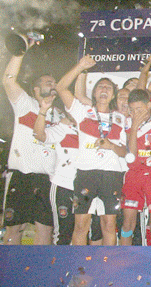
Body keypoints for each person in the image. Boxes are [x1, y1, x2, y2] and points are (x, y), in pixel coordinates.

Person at [56, 55, 127, 246]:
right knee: (81, 225)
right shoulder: (82, 111)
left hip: (112, 174)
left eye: (108, 88)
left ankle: (107, 269)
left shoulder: (120, 118)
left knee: (109, 224)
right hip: (86, 174)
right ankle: (79, 266)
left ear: (113, 95)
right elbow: (61, 88)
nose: (104, 89)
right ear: (94, 93)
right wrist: (79, 66)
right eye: (100, 87)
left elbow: (124, 152)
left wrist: (111, 146)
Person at [2, 53, 61, 245]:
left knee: (45, 228)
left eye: (54, 83)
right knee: (14, 228)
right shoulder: (26, 104)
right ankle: (9, 271)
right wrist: (19, 53)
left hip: (47, 178)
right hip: (21, 175)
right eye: (48, 82)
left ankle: (39, 272)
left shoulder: (60, 114)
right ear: (36, 88)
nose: (53, 85)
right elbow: (8, 81)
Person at [120, 89, 151, 246]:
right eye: (132, 110)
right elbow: (132, 156)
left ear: (149, 105)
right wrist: (134, 127)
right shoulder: (129, 124)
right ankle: (123, 261)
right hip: (135, 175)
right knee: (128, 223)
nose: (135, 113)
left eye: (139, 109)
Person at [33, 92, 78, 245]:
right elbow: (40, 135)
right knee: (63, 233)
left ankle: (82, 268)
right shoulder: (63, 127)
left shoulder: (92, 127)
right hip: (62, 185)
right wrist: (43, 111)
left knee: (82, 230)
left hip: (86, 186)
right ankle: (60, 268)